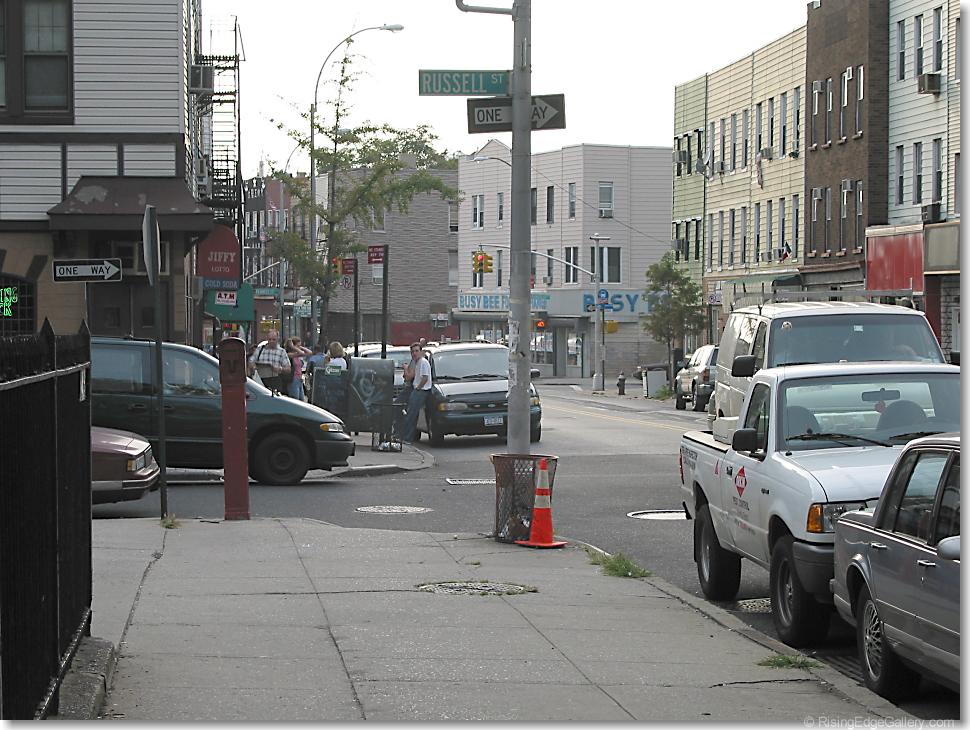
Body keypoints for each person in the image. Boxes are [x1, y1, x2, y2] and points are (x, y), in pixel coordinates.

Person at [402, 342, 432, 444]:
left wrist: (418, 388)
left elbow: (425, 377)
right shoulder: (417, 362)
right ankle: (409, 436)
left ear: (421, 352)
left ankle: (407, 438)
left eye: (416, 351)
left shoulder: (423, 362)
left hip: (421, 391)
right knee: (411, 414)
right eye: (412, 352)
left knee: (411, 414)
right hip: (417, 389)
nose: (414, 353)